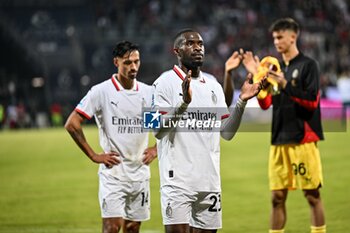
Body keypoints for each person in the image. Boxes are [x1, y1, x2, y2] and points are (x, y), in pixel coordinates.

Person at [151, 28, 263, 233]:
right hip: (178, 182)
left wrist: (241, 102)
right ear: (176, 51)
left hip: (209, 181)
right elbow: (157, 130)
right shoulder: (162, 83)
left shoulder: (213, 85)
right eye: (190, 44)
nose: (197, 48)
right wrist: (184, 104)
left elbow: (226, 133)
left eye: (200, 44)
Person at [65, 41, 157, 233]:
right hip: (113, 174)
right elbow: (72, 123)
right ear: (116, 62)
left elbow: (159, 127)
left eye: (136, 62)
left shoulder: (148, 93)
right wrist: (93, 156)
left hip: (140, 173)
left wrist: (156, 148)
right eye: (127, 62)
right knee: (111, 228)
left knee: (132, 229)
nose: (133, 67)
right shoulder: (101, 91)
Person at [251, 18, 326, 233]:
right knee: (276, 198)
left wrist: (284, 84)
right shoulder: (274, 69)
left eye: (280, 37)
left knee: (312, 195)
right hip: (278, 140)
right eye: (274, 38)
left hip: (303, 139)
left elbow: (312, 102)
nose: (276, 42)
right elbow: (265, 104)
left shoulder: (308, 65)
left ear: (293, 36)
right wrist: (260, 83)